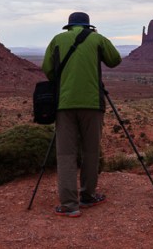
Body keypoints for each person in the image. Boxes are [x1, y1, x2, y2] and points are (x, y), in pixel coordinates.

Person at [42, 12, 122, 217]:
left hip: (64, 103)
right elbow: (115, 60)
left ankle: (70, 205)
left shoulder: (57, 40)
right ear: (88, 25)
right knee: (91, 151)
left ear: (69, 26)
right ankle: (88, 195)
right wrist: (98, 38)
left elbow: (48, 69)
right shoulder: (97, 39)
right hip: (92, 104)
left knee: (66, 155)